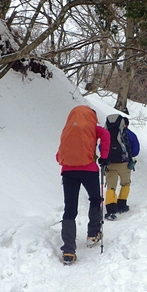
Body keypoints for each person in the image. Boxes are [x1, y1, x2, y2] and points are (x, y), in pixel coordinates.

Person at [56, 105, 110, 264]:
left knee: (70, 209)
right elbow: (106, 135)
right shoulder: (93, 128)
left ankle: (68, 249)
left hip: (68, 172)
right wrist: (104, 156)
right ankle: (93, 234)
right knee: (95, 198)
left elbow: (59, 154)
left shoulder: (68, 129)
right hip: (89, 170)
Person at [103, 114, 140, 221]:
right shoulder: (131, 134)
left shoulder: (107, 133)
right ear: (126, 125)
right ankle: (122, 205)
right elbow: (136, 151)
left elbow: (102, 147)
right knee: (125, 183)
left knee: (111, 186)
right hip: (124, 164)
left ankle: (111, 209)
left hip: (109, 163)